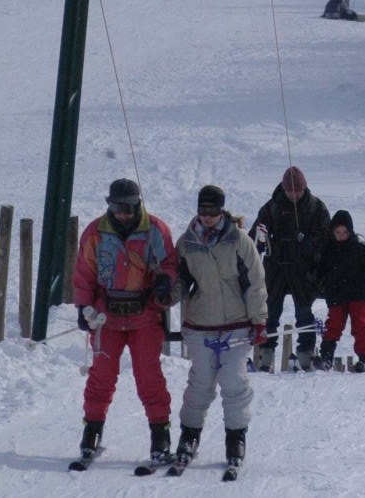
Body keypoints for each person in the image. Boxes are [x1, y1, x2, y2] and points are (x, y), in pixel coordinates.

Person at [71, 178, 176, 462]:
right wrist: (83, 307)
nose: (123, 214)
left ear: (138, 204)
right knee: (101, 376)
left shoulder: (155, 229)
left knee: (149, 376)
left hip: (145, 316)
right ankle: (92, 430)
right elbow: (84, 274)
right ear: (109, 205)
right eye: (118, 208)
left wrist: (166, 281)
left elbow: (170, 264)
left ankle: (160, 433)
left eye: (129, 208)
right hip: (108, 318)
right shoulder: (95, 233)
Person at [173, 185, 268, 470]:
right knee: (200, 384)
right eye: (203, 211)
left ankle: (235, 437)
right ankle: (189, 436)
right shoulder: (187, 243)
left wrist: (259, 319)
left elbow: (255, 281)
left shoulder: (238, 240)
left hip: (236, 325)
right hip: (201, 324)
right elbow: (179, 281)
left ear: (222, 210)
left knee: (234, 382)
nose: (208, 217)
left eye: (213, 211)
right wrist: (166, 292)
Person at [250, 166, 330, 371]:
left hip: (303, 271)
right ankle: (265, 357)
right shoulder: (272, 207)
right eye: (290, 191)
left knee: (304, 312)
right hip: (275, 269)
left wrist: (310, 246)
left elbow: (325, 236)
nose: (294, 194)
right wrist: (262, 242)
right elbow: (255, 237)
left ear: (304, 188)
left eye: (297, 190)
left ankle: (306, 355)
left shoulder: (316, 208)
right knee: (270, 312)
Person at [316, 210, 365, 372]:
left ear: (350, 232)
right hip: (337, 294)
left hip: (358, 294)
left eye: (344, 232)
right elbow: (320, 271)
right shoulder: (328, 250)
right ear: (333, 232)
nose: (341, 235)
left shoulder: (361, 248)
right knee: (333, 325)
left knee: (360, 325)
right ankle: (326, 357)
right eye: (338, 232)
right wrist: (324, 284)